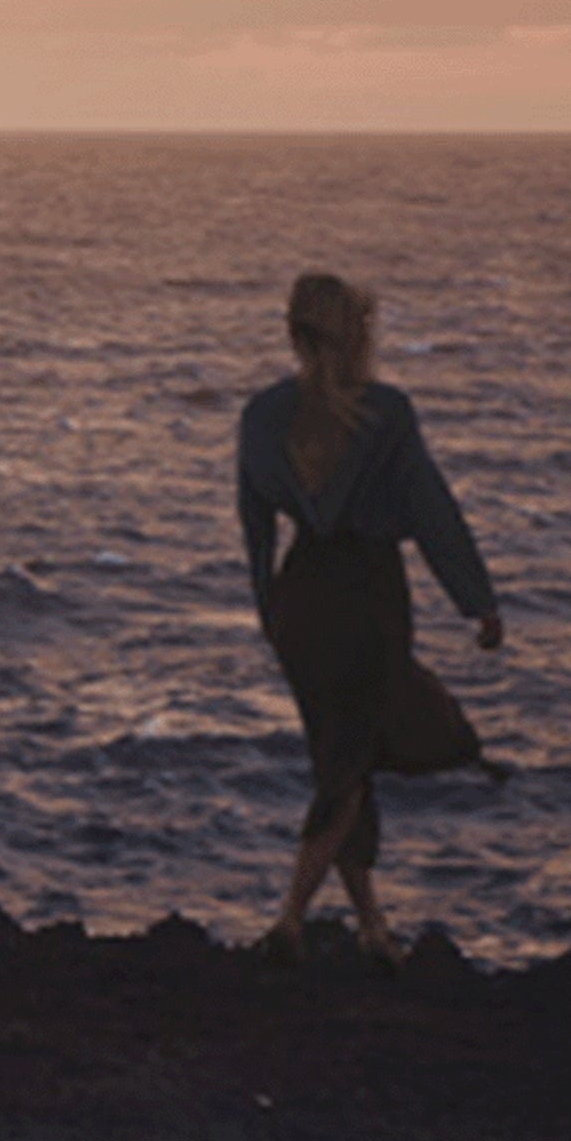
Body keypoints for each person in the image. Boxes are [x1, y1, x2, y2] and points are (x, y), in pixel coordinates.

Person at [236, 272, 503, 968]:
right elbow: (433, 514)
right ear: (359, 336)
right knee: (348, 764)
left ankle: (373, 927)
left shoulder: (262, 416)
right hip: (367, 599)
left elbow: (255, 528)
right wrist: (478, 601)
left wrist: (269, 610)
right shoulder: (386, 413)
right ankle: (290, 921)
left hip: (301, 603)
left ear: (293, 333)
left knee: (344, 755)